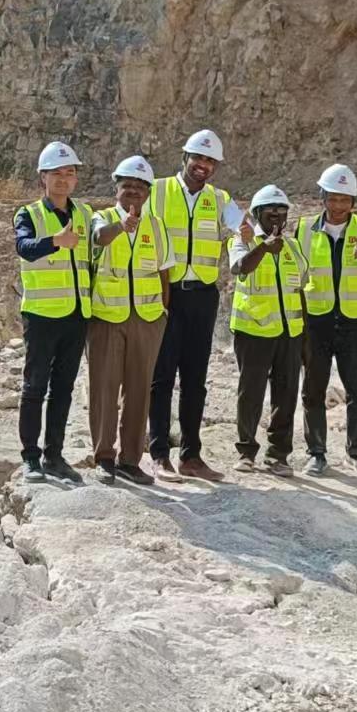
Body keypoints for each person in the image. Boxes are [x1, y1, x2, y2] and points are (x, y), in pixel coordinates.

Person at [144, 128, 247, 481]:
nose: (202, 165)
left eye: (209, 161)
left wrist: (250, 233)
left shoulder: (220, 200)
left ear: (215, 166)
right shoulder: (156, 191)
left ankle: (191, 455)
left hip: (202, 296)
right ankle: (159, 453)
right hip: (166, 293)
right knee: (161, 377)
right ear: (184, 158)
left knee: (195, 379)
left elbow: (241, 226)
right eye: (197, 158)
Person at [295, 164, 357, 476]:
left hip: (356, 322)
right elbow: (294, 273)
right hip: (317, 320)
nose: (338, 207)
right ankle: (317, 453)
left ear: (354, 201)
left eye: (344, 200)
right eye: (332, 199)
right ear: (322, 197)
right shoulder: (304, 228)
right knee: (313, 390)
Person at [86, 156, 175, 485]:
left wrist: (163, 314)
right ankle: (104, 457)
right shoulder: (102, 218)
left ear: (149, 193)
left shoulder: (157, 227)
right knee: (105, 389)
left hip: (148, 318)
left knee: (139, 391)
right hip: (107, 318)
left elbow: (165, 272)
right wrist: (121, 226)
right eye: (128, 186)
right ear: (117, 189)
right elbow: (99, 238)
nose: (134, 192)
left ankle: (130, 460)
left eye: (140, 187)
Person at [12, 140, 92, 483]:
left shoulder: (85, 214)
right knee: (34, 388)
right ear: (43, 177)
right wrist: (56, 241)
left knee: (64, 388)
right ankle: (30, 457)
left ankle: (54, 455)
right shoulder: (28, 214)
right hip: (43, 316)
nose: (63, 179)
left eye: (69, 173)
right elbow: (24, 248)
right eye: (56, 173)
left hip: (76, 315)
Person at [227, 185, 307, 475]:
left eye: (281, 211)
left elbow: (300, 288)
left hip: (289, 333)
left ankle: (278, 455)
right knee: (251, 393)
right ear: (257, 214)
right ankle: (246, 451)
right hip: (253, 333)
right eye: (269, 211)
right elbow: (239, 268)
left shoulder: (294, 248)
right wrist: (262, 246)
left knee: (286, 394)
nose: (276, 215)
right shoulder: (243, 240)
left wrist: (304, 337)